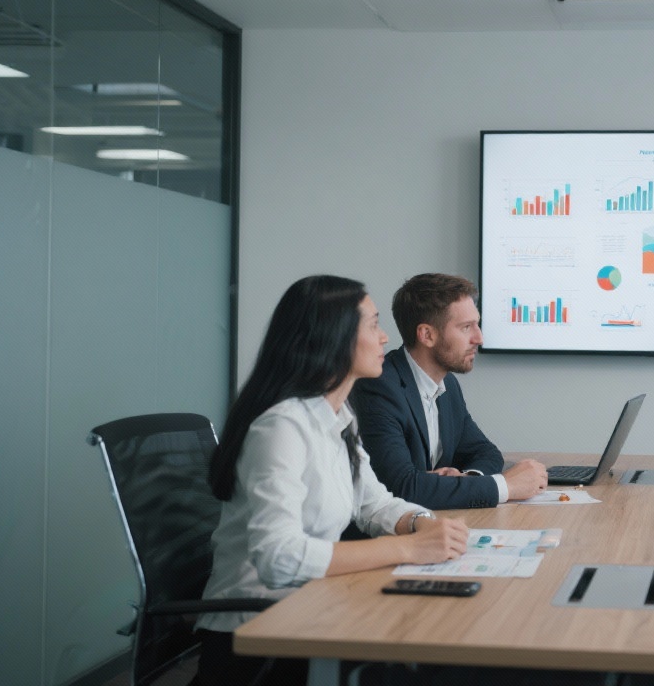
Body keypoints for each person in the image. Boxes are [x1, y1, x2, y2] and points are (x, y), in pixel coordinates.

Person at [196, 275, 469, 686]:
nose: (383, 339)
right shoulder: (281, 428)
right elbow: (280, 558)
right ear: (335, 339)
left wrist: (423, 523)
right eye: (373, 325)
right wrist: (407, 547)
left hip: (310, 607)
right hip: (258, 635)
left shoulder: (337, 417)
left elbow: (374, 504)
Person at [350, 273, 547, 510]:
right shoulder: (379, 386)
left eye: (477, 324)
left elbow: (486, 452)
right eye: (466, 328)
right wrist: (505, 486)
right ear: (427, 335)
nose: (480, 338)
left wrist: (468, 479)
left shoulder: (447, 384)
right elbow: (401, 487)